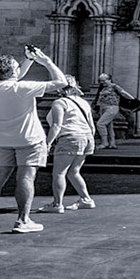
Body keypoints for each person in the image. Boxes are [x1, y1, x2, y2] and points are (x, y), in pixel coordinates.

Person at [0, 45, 74, 233]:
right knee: (26, 178)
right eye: (16, 67)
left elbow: (12, 78)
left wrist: (28, 59)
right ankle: (23, 220)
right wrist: (45, 61)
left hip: (1, 141)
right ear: (12, 71)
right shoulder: (22, 89)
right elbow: (61, 82)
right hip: (30, 141)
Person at [41, 83, 97, 214]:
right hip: (87, 137)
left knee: (59, 173)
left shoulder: (60, 103)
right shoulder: (83, 102)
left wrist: (47, 143)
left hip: (70, 138)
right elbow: (92, 126)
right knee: (74, 171)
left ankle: (57, 204)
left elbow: (56, 125)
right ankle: (86, 199)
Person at [93, 72, 127, 149]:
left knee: (100, 124)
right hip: (103, 107)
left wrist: (133, 100)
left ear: (109, 80)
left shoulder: (114, 86)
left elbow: (123, 92)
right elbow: (99, 97)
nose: (102, 82)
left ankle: (104, 142)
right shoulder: (103, 88)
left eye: (104, 80)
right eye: (100, 81)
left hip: (111, 107)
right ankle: (112, 143)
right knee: (109, 125)